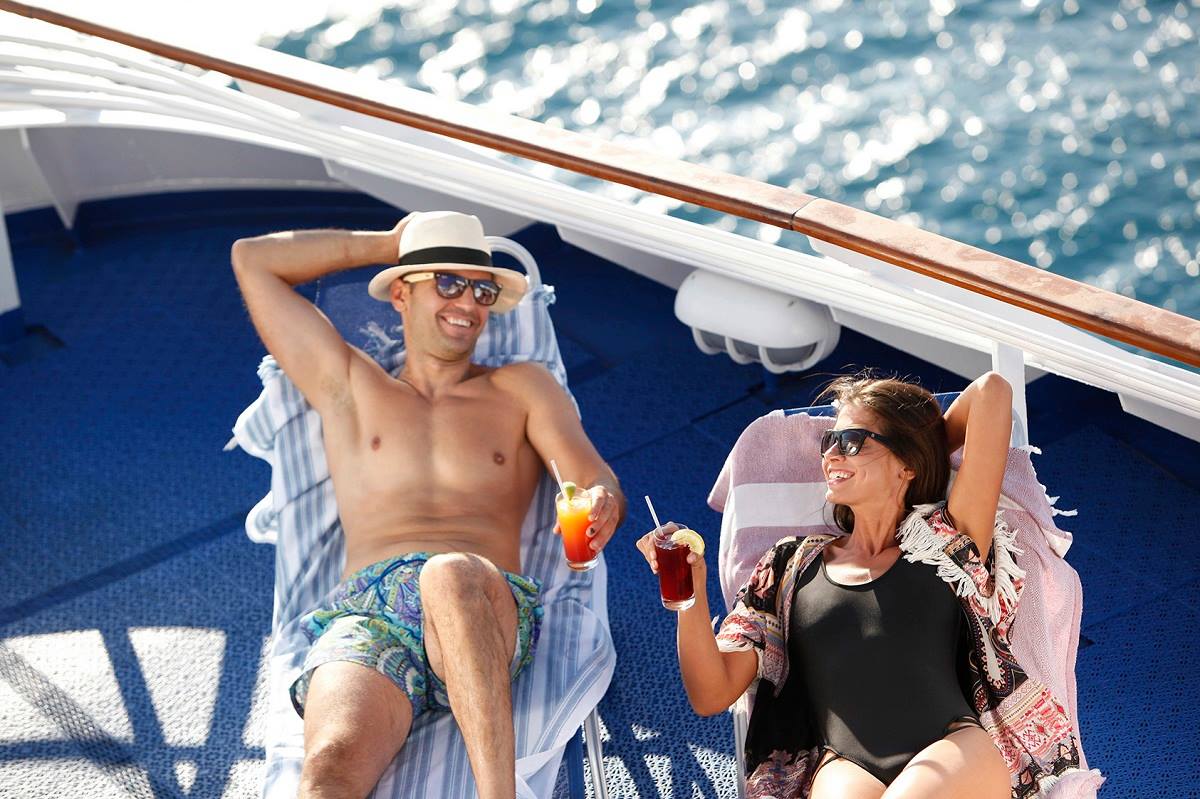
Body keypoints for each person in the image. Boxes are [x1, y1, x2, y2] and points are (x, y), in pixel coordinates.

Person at [231, 210, 625, 799]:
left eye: (482, 290)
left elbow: (588, 475)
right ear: (400, 293)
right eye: (447, 282)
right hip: (369, 614)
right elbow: (253, 260)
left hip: (483, 603)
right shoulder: (349, 386)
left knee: (448, 573)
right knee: (331, 765)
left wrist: (600, 499)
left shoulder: (520, 387)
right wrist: (392, 243)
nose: (468, 302)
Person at [637, 372, 1089, 798]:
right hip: (845, 766)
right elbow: (710, 693)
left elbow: (992, 392)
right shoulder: (788, 566)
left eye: (851, 442)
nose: (831, 455)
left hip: (954, 750)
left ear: (907, 464)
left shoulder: (946, 541)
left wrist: (921, 450)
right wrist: (689, 594)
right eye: (829, 442)